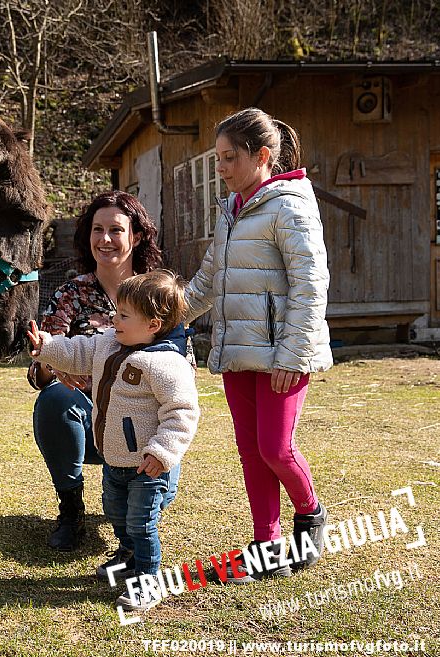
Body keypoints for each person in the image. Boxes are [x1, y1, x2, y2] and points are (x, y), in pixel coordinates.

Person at [185, 107, 332, 583]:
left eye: (229, 158)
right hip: (237, 354)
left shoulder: (291, 206)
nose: (221, 168)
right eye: (218, 159)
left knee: (276, 449)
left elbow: (311, 283)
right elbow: (206, 283)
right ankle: (265, 545)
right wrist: (160, 320)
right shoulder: (229, 212)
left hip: (281, 356)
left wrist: (294, 354)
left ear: (263, 155)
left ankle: (310, 514)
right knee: (251, 451)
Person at [28, 270, 200, 612]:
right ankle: (129, 558)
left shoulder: (167, 364)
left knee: (141, 523)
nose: (114, 320)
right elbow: (76, 350)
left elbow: (183, 412)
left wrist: (163, 452)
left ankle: (147, 582)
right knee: (117, 515)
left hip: (148, 466)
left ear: (153, 325)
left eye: (123, 315)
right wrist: (47, 346)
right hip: (115, 459)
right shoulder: (108, 342)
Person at [28, 191, 164, 552]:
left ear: (135, 236)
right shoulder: (72, 292)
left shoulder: (157, 293)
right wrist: (52, 365)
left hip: (142, 427)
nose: (105, 240)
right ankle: (71, 509)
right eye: (97, 229)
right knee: (55, 398)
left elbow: (183, 369)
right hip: (90, 423)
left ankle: (133, 503)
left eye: (116, 230)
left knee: (149, 506)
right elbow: (37, 370)